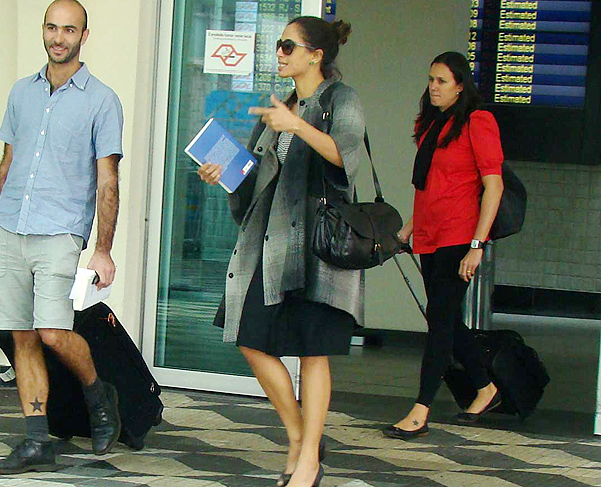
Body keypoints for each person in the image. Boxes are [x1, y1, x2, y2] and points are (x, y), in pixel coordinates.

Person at [198, 16, 366, 487]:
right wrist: (224, 174)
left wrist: (297, 124)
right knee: (250, 337)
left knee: (315, 352)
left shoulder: (340, 99)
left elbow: (345, 157)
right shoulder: (281, 106)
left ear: (316, 55)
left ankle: (308, 460)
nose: (280, 53)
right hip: (270, 244)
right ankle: (300, 436)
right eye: (278, 46)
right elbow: (255, 180)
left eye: (288, 46)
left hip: (318, 246)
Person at [0, 0, 124, 474]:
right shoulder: (21, 93)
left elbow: (108, 181)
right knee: (19, 334)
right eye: (51, 27)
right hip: (10, 229)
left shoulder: (102, 100)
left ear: (85, 36)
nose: (58, 37)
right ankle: (36, 441)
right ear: (43, 31)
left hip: (60, 232)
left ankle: (99, 393)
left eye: (69, 29)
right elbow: (7, 162)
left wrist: (102, 249)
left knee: (53, 333)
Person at [384, 51, 504, 440]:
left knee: (439, 321)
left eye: (441, 81)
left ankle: (421, 408)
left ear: (460, 85)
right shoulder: (433, 124)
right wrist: (408, 231)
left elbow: (493, 185)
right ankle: (486, 388)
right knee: (446, 317)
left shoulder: (477, 121)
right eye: (431, 80)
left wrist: (477, 244)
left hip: (459, 237)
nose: (433, 87)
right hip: (431, 236)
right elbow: (432, 187)